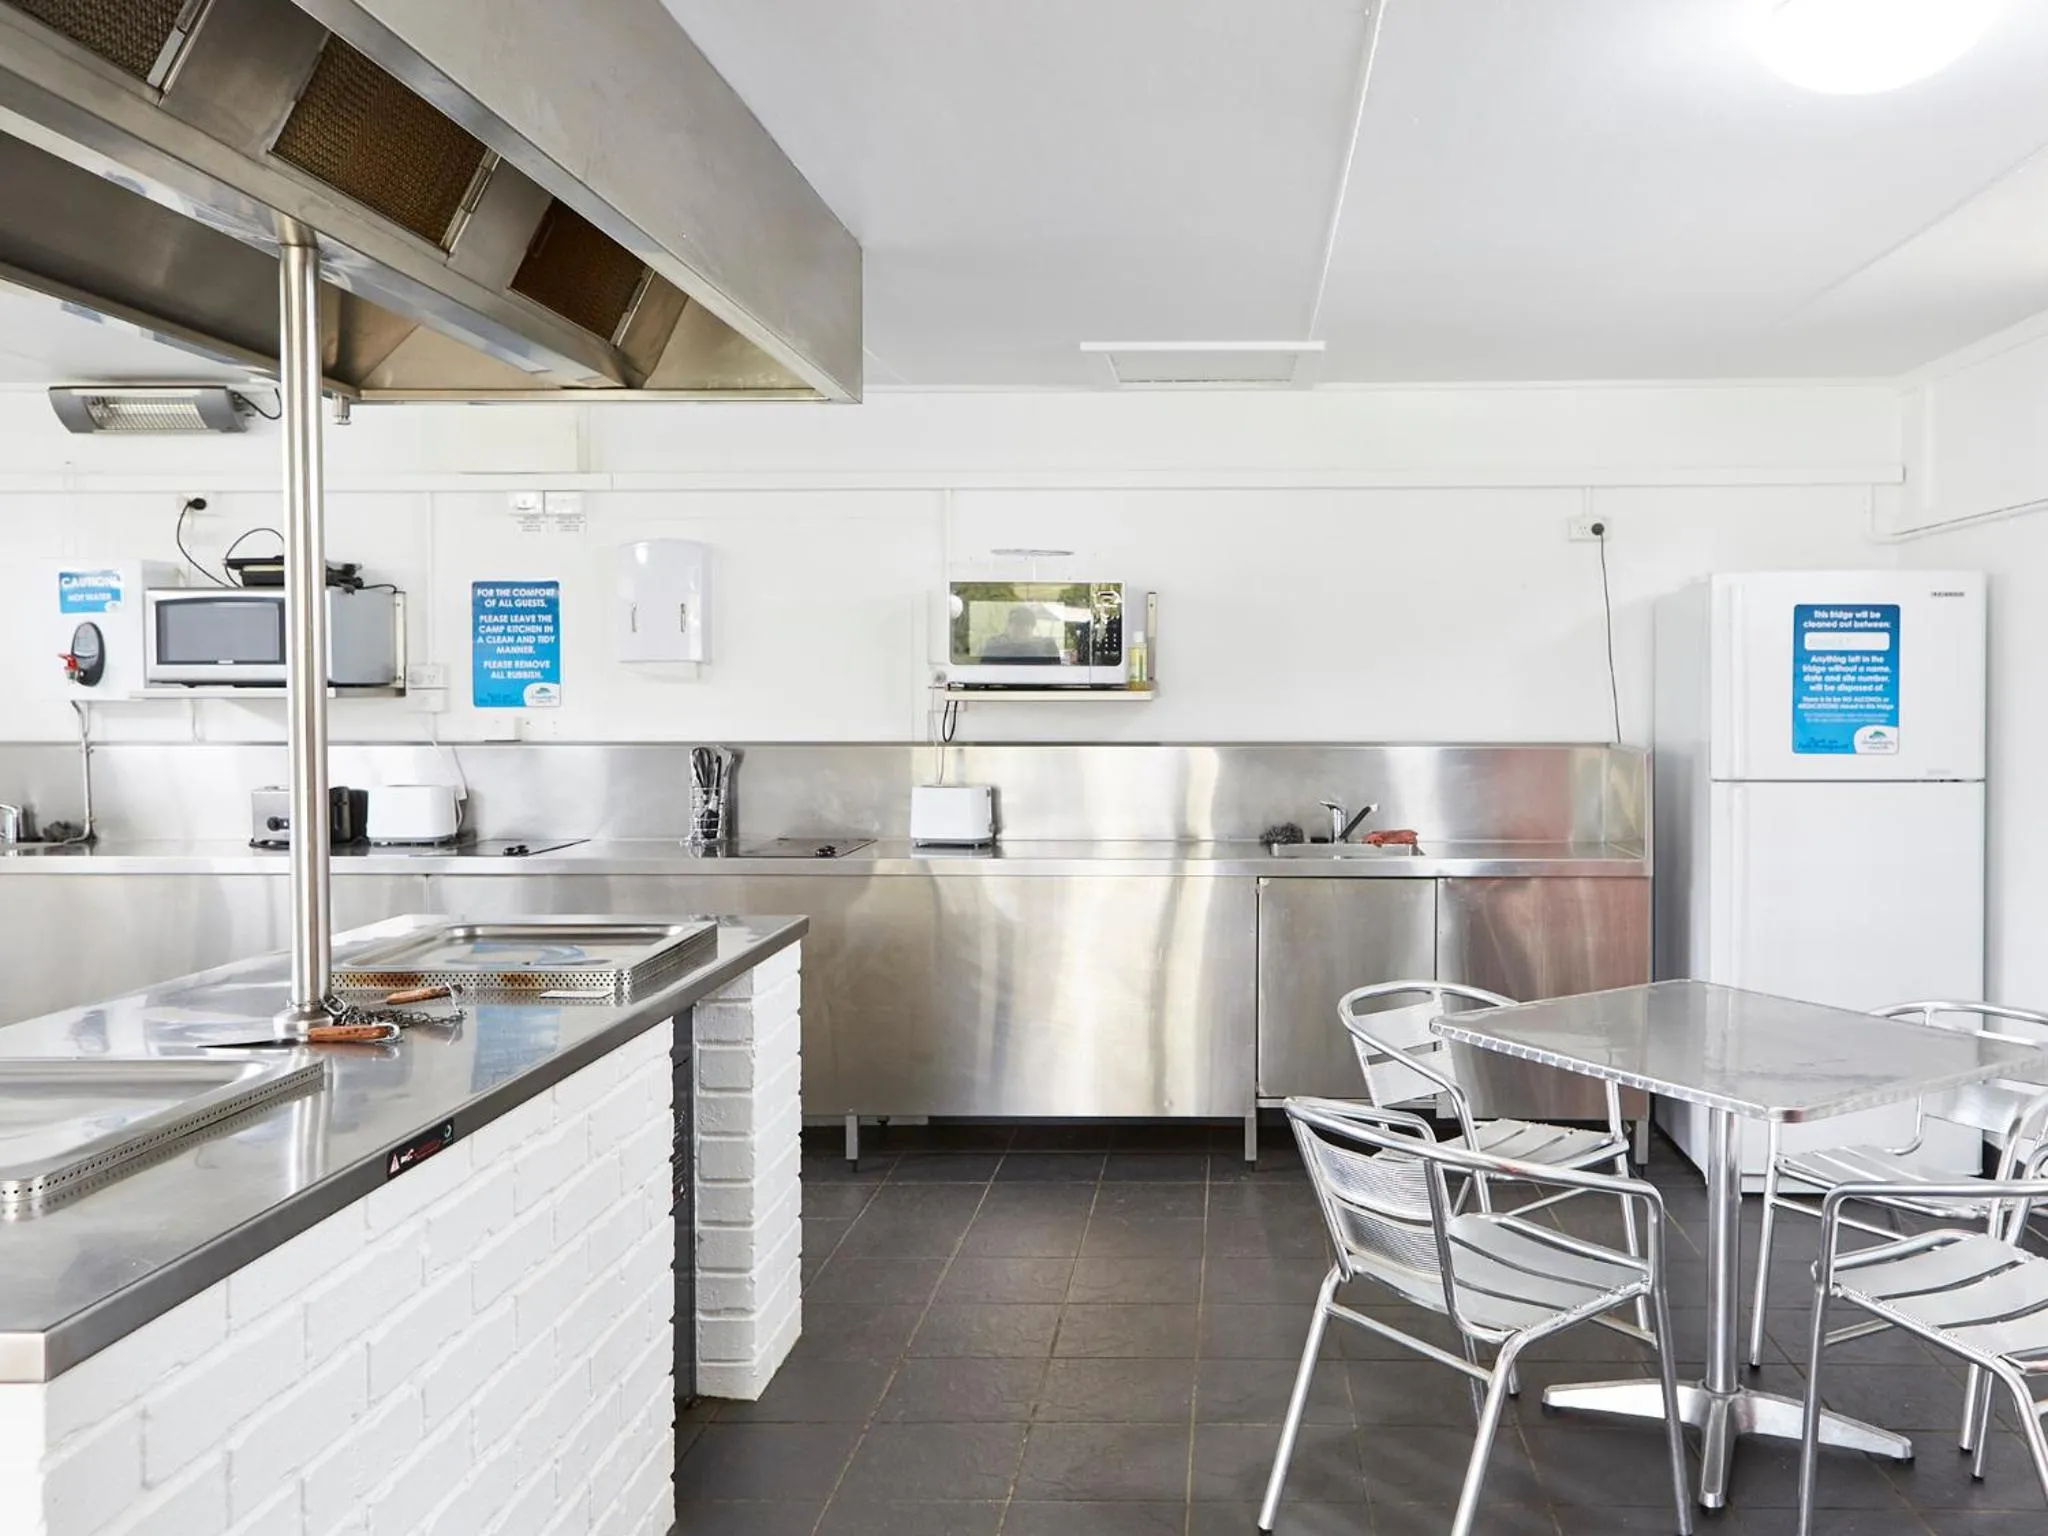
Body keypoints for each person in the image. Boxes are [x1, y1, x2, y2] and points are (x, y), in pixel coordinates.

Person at [979, 604, 1061, 662]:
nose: (1020, 628)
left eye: (1025, 624)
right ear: (1008, 627)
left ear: (1032, 627)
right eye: (1016, 624)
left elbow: (1055, 673)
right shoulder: (995, 646)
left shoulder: (1047, 646)